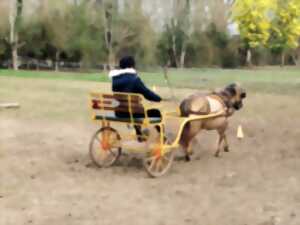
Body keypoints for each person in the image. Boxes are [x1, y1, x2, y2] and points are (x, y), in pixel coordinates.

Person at [109, 56, 162, 141]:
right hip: (131, 113)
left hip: (118, 112)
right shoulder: (134, 79)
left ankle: (139, 133)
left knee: (133, 108)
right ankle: (162, 137)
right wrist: (159, 99)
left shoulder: (115, 79)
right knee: (156, 113)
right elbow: (146, 93)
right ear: (132, 66)